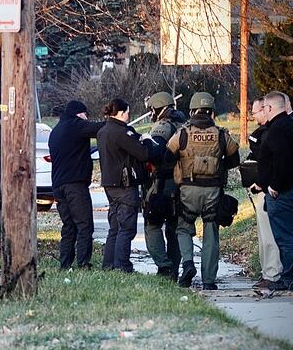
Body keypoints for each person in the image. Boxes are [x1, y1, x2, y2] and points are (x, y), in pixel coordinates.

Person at [166, 92, 239, 289]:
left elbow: (168, 158)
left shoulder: (182, 133)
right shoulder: (222, 134)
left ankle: (188, 263)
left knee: (183, 227)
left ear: (192, 111)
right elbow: (234, 160)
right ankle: (208, 281)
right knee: (211, 233)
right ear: (212, 112)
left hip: (188, 190)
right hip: (213, 191)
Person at [255, 92, 293, 291]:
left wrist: (274, 186)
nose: (263, 112)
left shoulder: (277, 129)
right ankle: (291, 276)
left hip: (284, 191)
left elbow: (281, 159)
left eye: (264, 108)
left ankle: (291, 279)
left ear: (270, 108)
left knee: (286, 238)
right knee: (291, 234)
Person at [48, 100, 105, 270]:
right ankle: (83, 263)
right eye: (85, 115)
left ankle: (65, 264)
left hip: (58, 186)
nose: (86, 118)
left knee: (68, 226)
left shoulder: (56, 131)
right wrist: (114, 120)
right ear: (79, 113)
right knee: (84, 224)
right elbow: (98, 128)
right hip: (75, 185)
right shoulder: (76, 125)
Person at [97, 98, 152, 273]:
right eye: (127, 112)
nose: (129, 115)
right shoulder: (122, 133)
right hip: (125, 184)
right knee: (127, 227)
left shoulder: (103, 131)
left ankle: (109, 264)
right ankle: (122, 265)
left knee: (114, 226)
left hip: (109, 183)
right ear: (121, 113)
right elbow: (142, 154)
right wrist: (147, 140)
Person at [142, 92, 185, 280]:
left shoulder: (162, 126)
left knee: (152, 225)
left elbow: (156, 152)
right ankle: (174, 268)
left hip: (161, 183)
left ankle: (164, 266)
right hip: (181, 184)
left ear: (156, 109)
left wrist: (144, 143)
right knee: (174, 228)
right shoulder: (184, 123)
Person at [245, 97, 282, 289]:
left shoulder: (269, 134)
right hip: (265, 187)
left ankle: (273, 274)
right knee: (263, 235)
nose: (254, 116)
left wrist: (261, 183)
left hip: (268, 189)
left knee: (269, 234)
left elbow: (269, 162)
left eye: (256, 111)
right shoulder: (264, 133)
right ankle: (267, 271)